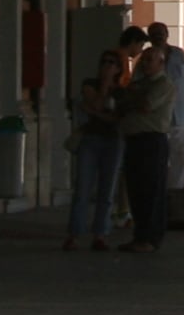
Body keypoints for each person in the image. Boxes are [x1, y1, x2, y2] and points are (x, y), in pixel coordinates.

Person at [113, 27, 177, 254]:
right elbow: (122, 102)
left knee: (151, 191)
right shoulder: (139, 85)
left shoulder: (164, 85)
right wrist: (130, 99)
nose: (146, 63)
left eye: (151, 60)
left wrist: (130, 100)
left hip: (152, 142)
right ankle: (139, 235)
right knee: (136, 191)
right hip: (134, 141)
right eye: (145, 59)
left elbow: (145, 106)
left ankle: (151, 237)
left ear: (161, 64)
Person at [64, 50, 127, 251]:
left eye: (112, 63)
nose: (107, 66)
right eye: (104, 62)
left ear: (119, 68)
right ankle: (74, 234)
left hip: (113, 142)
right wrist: (104, 86)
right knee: (83, 188)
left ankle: (100, 234)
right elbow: (97, 103)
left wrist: (93, 112)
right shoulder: (89, 84)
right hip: (90, 141)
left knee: (107, 190)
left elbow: (118, 118)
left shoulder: (121, 92)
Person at [147, 21, 184, 198]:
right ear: (149, 37)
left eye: (161, 32)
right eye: (154, 33)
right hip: (158, 120)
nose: (158, 36)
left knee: (183, 159)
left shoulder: (179, 54)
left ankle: (176, 195)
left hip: (181, 115)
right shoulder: (147, 58)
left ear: (167, 34)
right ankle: (160, 195)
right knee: (159, 161)